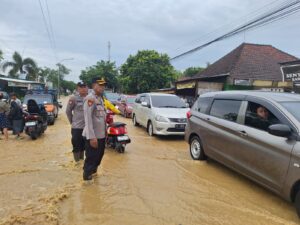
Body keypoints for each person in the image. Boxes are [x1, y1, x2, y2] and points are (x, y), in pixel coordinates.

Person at [82, 77, 107, 182]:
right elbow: (88, 119)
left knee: (98, 159)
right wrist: (92, 137)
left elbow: (102, 118)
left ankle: (93, 178)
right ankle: (87, 183)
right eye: (100, 85)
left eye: (103, 85)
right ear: (93, 86)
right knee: (91, 160)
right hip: (92, 136)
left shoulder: (100, 99)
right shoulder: (90, 99)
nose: (102, 87)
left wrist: (106, 132)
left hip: (101, 136)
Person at [66, 82, 88, 164]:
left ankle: (81, 161)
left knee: (83, 146)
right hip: (77, 127)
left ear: (87, 88)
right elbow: (68, 111)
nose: (83, 89)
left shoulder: (89, 98)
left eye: (84, 87)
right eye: (81, 87)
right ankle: (77, 163)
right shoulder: (73, 98)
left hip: (87, 127)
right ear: (78, 88)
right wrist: (72, 122)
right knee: (76, 146)